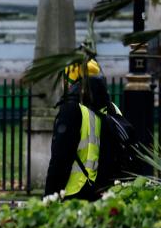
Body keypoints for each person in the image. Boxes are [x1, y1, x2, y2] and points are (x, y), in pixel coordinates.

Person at [45, 60, 126, 200]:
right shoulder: (113, 108)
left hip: (76, 192)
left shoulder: (72, 109)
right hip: (107, 192)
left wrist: (49, 197)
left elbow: (60, 160)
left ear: (71, 80)